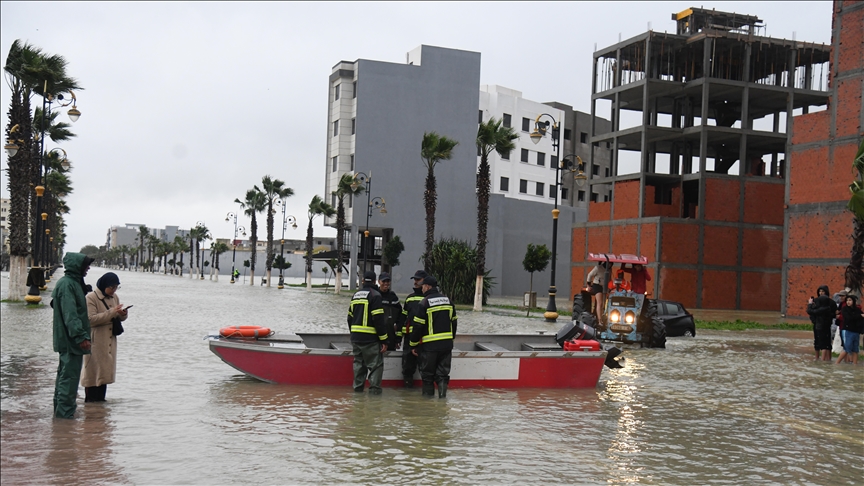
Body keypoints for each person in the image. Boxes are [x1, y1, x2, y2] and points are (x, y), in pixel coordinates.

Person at [51, 253, 95, 419]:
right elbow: (71, 315)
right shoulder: (67, 285)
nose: (88, 269)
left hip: (67, 341)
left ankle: (61, 417)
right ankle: (64, 417)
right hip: (70, 342)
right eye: (86, 266)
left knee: (64, 377)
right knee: (68, 380)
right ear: (78, 267)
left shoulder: (70, 284)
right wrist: (80, 337)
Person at [82, 272, 129, 402]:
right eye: (112, 287)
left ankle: (99, 409)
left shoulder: (115, 297)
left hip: (110, 340)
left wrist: (123, 314)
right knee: (93, 374)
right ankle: (91, 406)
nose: (114, 290)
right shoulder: (91, 298)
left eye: (116, 287)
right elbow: (91, 319)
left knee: (104, 374)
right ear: (104, 285)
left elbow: (119, 317)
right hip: (96, 339)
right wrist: (112, 312)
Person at [409, 275, 457, 398]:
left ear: (428, 286)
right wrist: (450, 339)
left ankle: (428, 404)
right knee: (443, 375)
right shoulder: (448, 301)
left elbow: (418, 327)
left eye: (423, 286)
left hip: (429, 347)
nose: (422, 289)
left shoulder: (424, 303)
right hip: (446, 346)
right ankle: (442, 399)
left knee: (427, 375)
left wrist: (413, 344)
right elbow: (454, 322)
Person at [348, 270, 388, 394]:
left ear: (363, 281)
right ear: (376, 281)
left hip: (356, 338)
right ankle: (374, 397)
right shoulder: (375, 295)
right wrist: (384, 339)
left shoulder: (355, 295)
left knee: (359, 365)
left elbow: (349, 318)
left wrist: (353, 333)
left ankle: (357, 392)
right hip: (370, 339)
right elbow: (378, 320)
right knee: (376, 366)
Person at [398, 269, 427, 387]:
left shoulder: (429, 298)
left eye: (418, 279)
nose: (415, 282)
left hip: (424, 338)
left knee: (425, 367)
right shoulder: (409, 298)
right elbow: (403, 318)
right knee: (407, 367)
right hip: (409, 339)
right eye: (414, 279)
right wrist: (398, 337)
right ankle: (407, 394)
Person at [806, 285, 836, 361]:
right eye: (820, 291)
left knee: (826, 342)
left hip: (826, 324)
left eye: (823, 291)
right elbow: (812, 314)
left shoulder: (831, 303)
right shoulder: (815, 301)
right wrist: (814, 320)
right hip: (817, 324)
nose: (821, 293)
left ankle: (827, 359)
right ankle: (817, 358)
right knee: (817, 341)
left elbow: (834, 313)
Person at [377, 272, 402, 351]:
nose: (386, 283)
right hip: (376, 337)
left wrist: (398, 338)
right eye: (383, 281)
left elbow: (400, 317)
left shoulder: (393, 297)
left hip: (390, 336)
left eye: (388, 281)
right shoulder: (375, 296)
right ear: (379, 282)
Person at [835, 295, 862, 365]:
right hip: (848, 331)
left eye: (850, 300)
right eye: (847, 300)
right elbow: (849, 318)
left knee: (855, 350)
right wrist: (859, 316)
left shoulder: (858, 310)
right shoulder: (845, 309)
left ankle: (855, 365)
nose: (848, 302)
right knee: (847, 348)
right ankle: (837, 363)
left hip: (856, 331)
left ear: (853, 301)